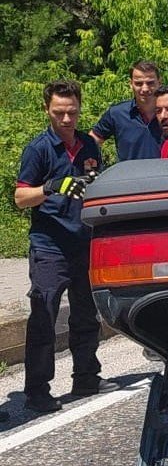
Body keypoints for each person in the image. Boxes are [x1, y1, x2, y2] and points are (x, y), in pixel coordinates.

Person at [15, 80, 118, 413]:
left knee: (86, 314)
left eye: (72, 112)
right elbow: (20, 198)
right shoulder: (39, 149)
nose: (66, 119)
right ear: (47, 109)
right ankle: (37, 391)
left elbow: (98, 185)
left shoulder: (89, 145)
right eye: (59, 112)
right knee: (44, 316)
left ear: (79, 108)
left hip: (84, 240)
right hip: (50, 245)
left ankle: (86, 376)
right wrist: (51, 186)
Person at [89, 60, 163, 160]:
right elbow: (92, 141)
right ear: (131, 84)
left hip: (166, 170)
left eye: (150, 83)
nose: (145, 88)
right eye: (139, 83)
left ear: (159, 82)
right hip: (130, 171)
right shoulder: (117, 114)